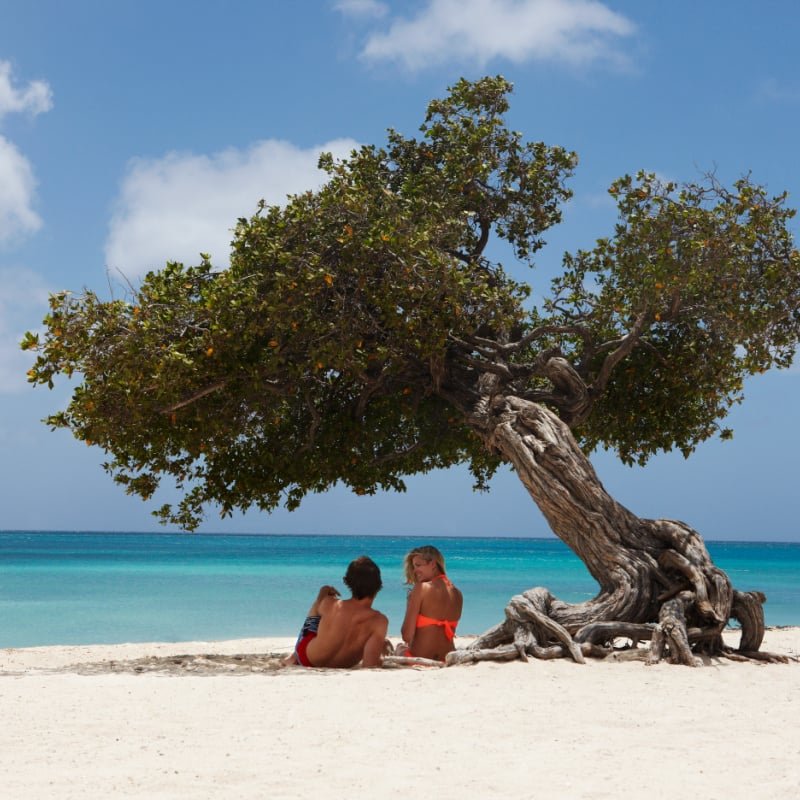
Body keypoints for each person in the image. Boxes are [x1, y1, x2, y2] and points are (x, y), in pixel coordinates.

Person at [284, 555, 389, 668]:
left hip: (306, 658)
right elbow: (370, 665)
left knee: (319, 605)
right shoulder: (379, 621)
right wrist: (382, 651)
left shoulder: (331, 604)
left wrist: (321, 597)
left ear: (347, 582)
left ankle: (292, 658)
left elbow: (317, 613)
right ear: (378, 586)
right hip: (340, 666)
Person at [397, 545, 463, 662]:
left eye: (418, 565)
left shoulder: (422, 588)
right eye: (413, 566)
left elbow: (406, 635)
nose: (414, 570)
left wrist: (409, 603)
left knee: (398, 647)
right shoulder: (458, 594)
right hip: (445, 660)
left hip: (420, 659)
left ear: (432, 564)